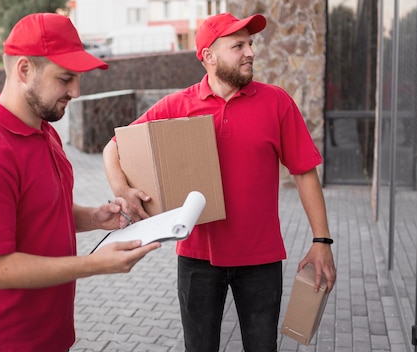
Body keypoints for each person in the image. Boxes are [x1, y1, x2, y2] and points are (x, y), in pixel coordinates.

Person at [103, 12, 337, 352]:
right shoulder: (178, 105)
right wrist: (121, 189)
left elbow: (304, 172)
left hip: (261, 260)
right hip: (198, 258)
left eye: (251, 44)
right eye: (238, 45)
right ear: (208, 56)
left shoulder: (276, 102)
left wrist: (322, 241)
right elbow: (114, 145)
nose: (250, 53)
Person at [0, 13, 160, 352]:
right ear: (24, 70)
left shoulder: (43, 131)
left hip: (51, 332)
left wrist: (93, 218)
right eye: (65, 78)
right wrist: (95, 264)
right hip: (6, 341)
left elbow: (37, 209)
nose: (75, 91)